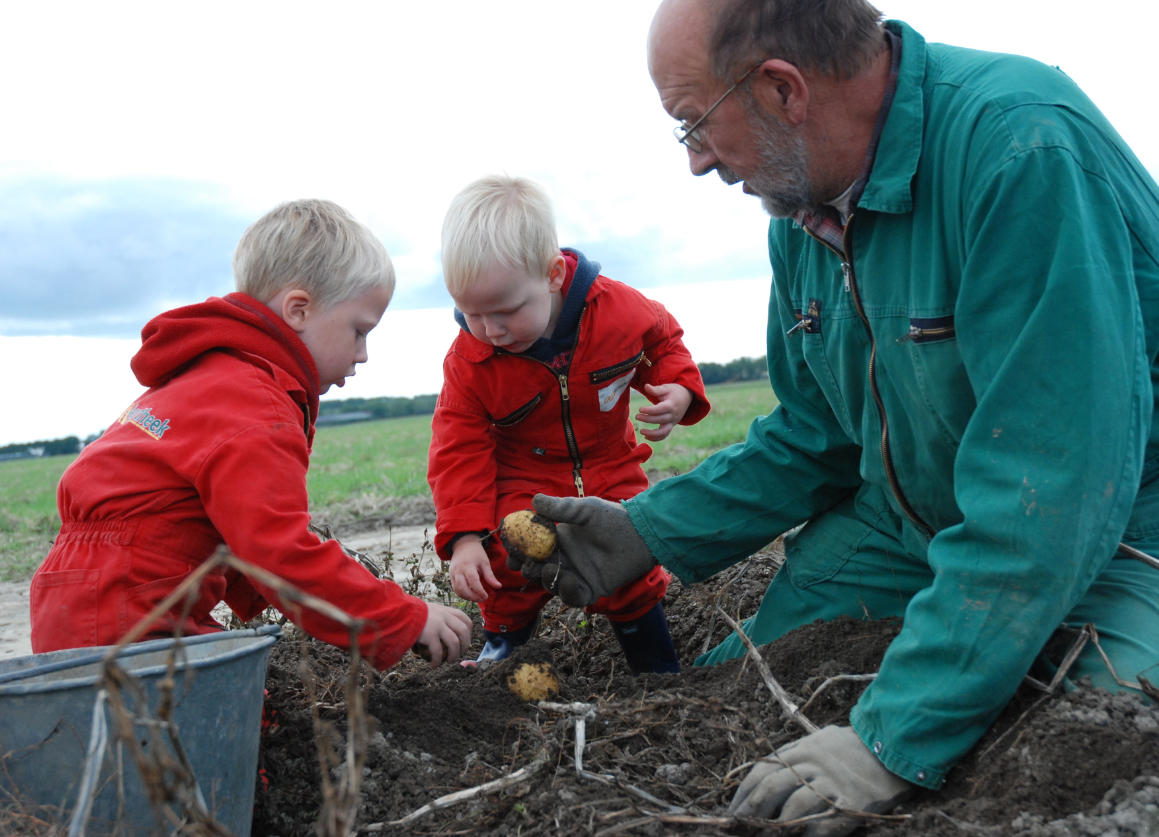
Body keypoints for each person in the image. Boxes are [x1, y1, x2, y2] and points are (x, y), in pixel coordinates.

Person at [510, 0, 1159, 832]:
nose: (697, 162)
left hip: (1116, 520)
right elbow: (814, 432)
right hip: (906, 520)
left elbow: (1051, 477)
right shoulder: (803, 210)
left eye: (692, 124)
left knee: (1084, 733)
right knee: (730, 685)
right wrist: (644, 531)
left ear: (782, 89)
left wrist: (887, 741)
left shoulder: (1019, 147)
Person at [30, 199, 472, 670]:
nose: (362, 355)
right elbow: (280, 552)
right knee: (230, 732)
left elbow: (222, 531)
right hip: (128, 615)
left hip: (76, 598)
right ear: (298, 310)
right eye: (358, 331)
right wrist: (403, 618)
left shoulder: (208, 378)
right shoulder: (257, 406)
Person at [427, 175, 710, 672]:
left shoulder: (618, 310)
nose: (490, 331)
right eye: (471, 314)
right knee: (509, 555)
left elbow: (663, 341)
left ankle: (656, 666)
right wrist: (465, 538)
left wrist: (681, 389)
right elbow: (457, 448)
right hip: (524, 475)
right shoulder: (469, 361)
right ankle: (503, 650)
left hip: (611, 463)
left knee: (628, 557)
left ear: (553, 274)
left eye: (506, 311)